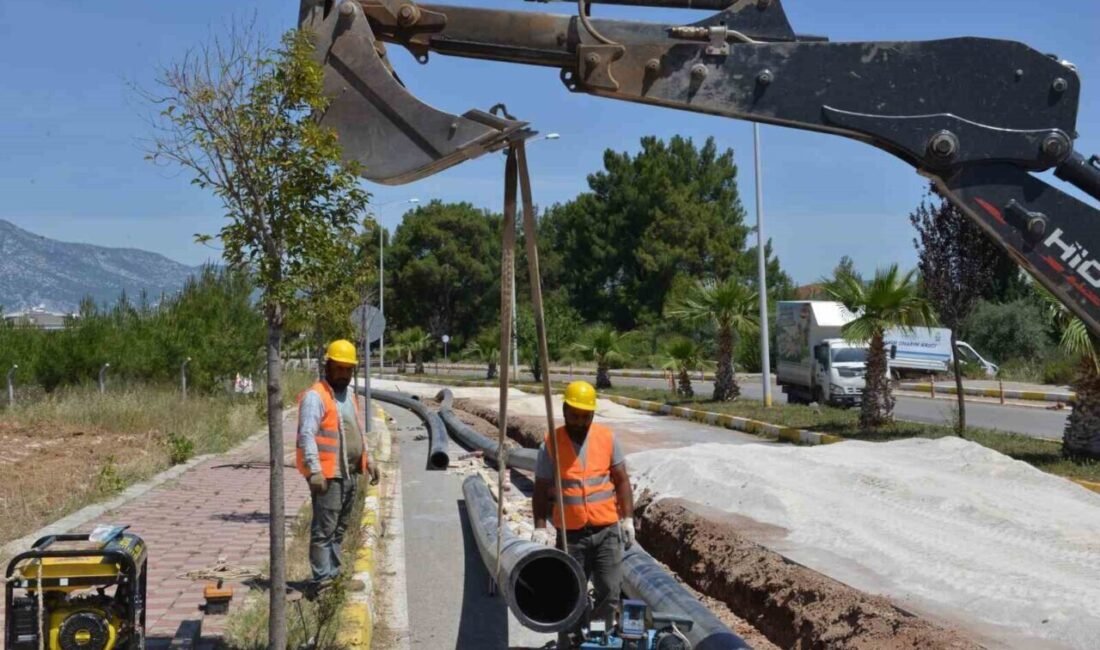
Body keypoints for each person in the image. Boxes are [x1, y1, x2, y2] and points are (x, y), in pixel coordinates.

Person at [531, 380, 635, 644]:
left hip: (606, 531)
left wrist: (628, 519)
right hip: (571, 535)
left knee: (610, 591)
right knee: (569, 593)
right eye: (575, 416)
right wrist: (540, 527)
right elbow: (541, 489)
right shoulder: (551, 444)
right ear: (565, 411)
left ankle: (597, 638)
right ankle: (572, 641)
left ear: (592, 414)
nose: (579, 422)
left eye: (585, 416)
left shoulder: (606, 438)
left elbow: (622, 480)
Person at [296, 339, 378, 587]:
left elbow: (357, 430)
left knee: (339, 528)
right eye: (339, 368)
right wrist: (315, 471)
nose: (344, 373)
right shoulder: (315, 397)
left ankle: (334, 577)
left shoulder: (349, 396)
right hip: (328, 474)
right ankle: (323, 581)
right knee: (325, 529)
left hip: (349, 472)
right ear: (328, 366)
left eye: (348, 369)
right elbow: (306, 435)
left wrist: (369, 459)